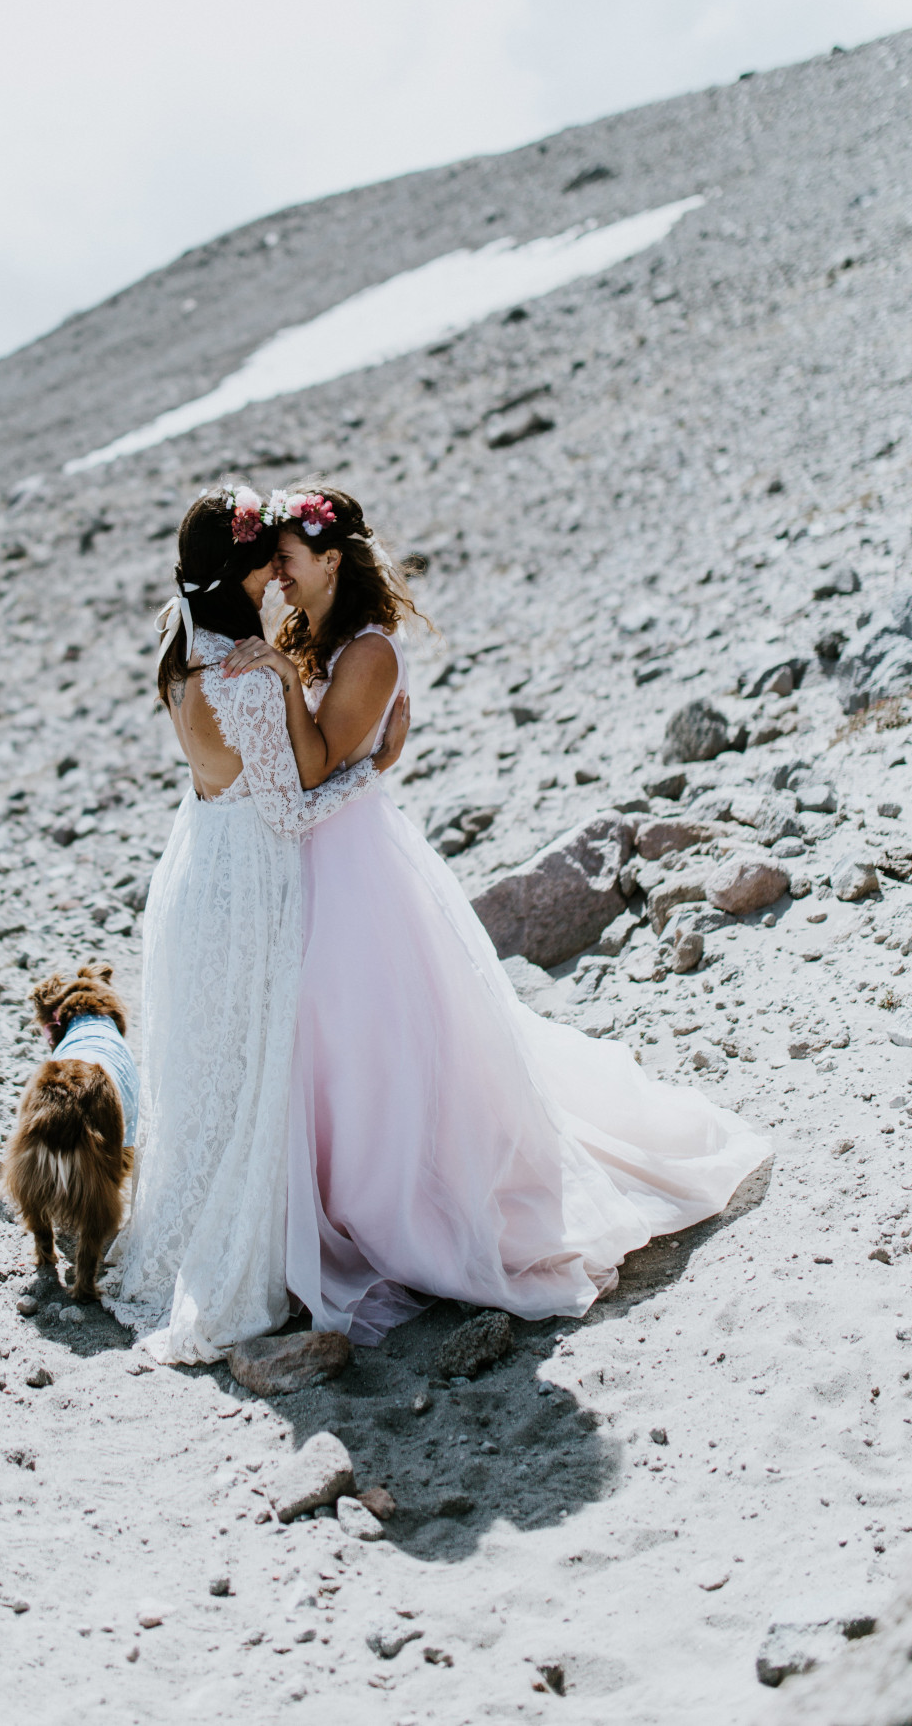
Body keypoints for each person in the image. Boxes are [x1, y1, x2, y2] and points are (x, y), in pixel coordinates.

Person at [223, 485, 769, 1343]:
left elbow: (320, 766)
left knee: (363, 1036)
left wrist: (285, 680)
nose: (279, 580)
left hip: (353, 863)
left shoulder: (366, 653)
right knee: (329, 1040)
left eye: (286, 562)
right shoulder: (312, 636)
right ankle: (328, 1202)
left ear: (330, 560)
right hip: (314, 862)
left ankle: (395, 1210)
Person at [108, 485, 407, 1363]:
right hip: (247, 881)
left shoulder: (182, 634)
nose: (278, 576)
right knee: (252, 1078)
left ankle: (182, 1231)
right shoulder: (240, 679)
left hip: (196, 865)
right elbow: (292, 809)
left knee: (210, 1072)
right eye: (265, 563)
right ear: (241, 573)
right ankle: (243, 1258)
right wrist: (376, 766)